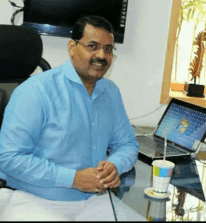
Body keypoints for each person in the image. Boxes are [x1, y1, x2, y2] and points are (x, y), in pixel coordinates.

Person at [0, 15, 139, 221]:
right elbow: (9, 158)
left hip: (95, 200)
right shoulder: (35, 91)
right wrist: (73, 179)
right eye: (93, 46)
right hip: (34, 198)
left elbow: (127, 144)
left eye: (108, 49)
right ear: (72, 47)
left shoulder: (111, 92)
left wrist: (115, 165)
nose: (102, 55)